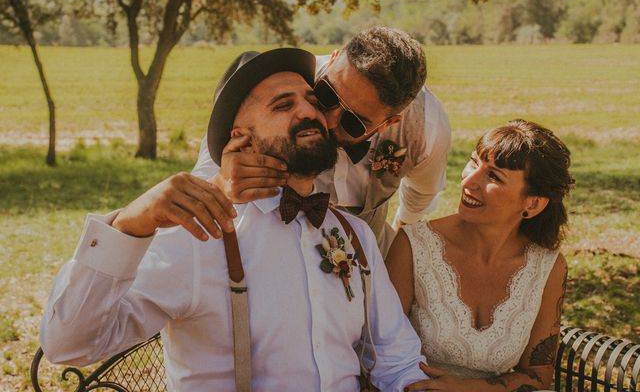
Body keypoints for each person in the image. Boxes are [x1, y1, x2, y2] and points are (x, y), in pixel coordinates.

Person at [40, 48, 429, 391]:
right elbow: (68, 345)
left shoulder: (354, 235)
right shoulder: (197, 235)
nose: (310, 111)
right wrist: (127, 225)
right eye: (282, 105)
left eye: (313, 100)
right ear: (240, 137)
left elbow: (396, 358)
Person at [192, 26, 451, 256]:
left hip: (367, 244)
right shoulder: (284, 79)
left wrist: (398, 241)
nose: (326, 121)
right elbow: (206, 172)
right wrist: (222, 181)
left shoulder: (426, 128)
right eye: (326, 95)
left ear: (389, 124)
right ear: (334, 59)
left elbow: (421, 195)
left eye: (353, 122)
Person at [386, 119, 574, 391]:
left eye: (494, 176)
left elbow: (537, 377)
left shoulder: (548, 267)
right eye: (474, 162)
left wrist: (469, 388)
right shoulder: (412, 245)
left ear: (532, 203)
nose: (469, 181)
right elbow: (378, 354)